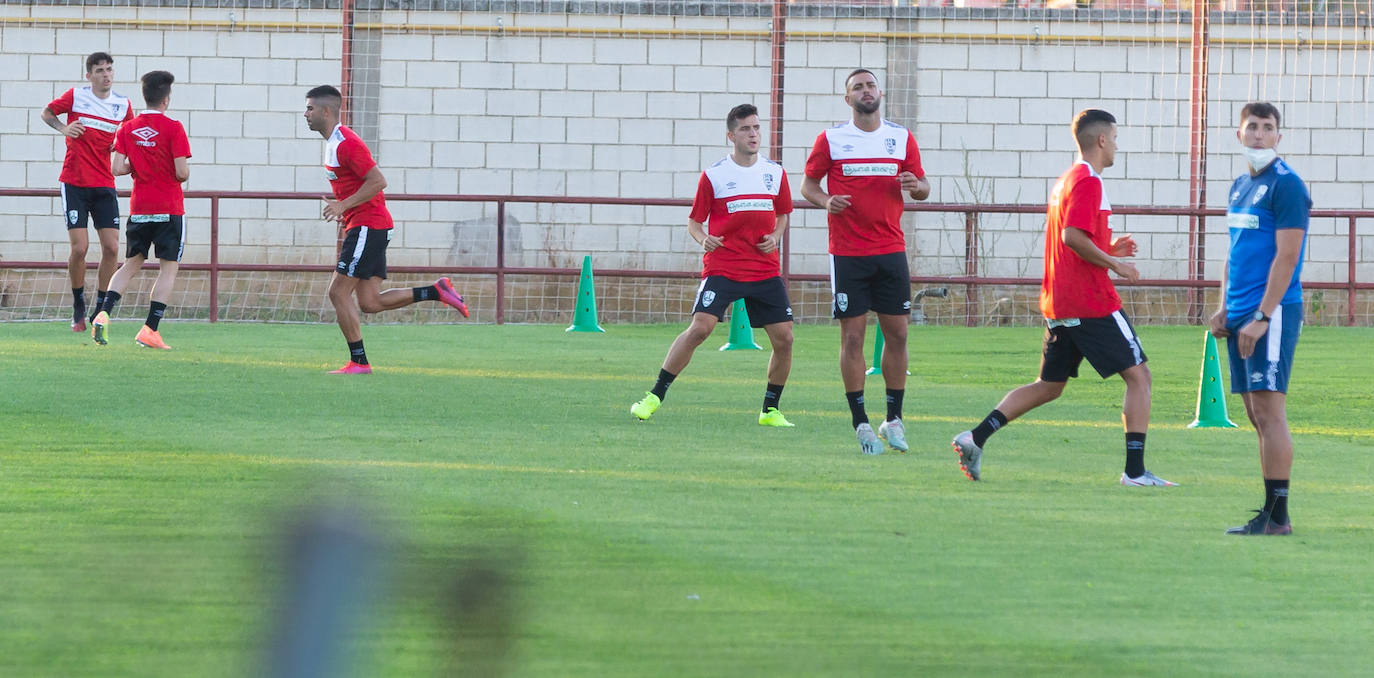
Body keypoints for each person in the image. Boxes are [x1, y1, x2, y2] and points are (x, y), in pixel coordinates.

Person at [951, 109, 1174, 487]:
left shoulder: (1067, 179)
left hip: (1061, 301)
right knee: (1140, 378)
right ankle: (1135, 473)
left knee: (1049, 385)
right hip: (1090, 303)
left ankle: (976, 437)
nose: (1117, 144)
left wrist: (1110, 249)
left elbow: (1075, 239)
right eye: (1115, 138)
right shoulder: (1089, 180)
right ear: (1102, 140)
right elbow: (1072, 237)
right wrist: (1115, 266)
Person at [630, 104, 796, 426]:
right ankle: (653, 396)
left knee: (785, 338)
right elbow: (694, 222)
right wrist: (703, 238)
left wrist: (776, 235)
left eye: (757, 128)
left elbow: (782, 215)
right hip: (724, 266)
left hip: (763, 269)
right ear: (731, 135)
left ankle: (770, 410)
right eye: (746, 129)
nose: (753, 134)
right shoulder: (715, 175)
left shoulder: (775, 173)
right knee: (701, 329)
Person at [800, 68, 930, 455]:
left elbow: (923, 187)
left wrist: (915, 185)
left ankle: (894, 419)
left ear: (880, 92)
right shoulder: (832, 139)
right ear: (848, 99)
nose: (866, 91)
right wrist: (826, 201)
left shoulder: (901, 137)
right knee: (853, 337)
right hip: (848, 253)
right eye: (858, 87)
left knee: (899, 334)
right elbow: (807, 185)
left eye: (870, 84)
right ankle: (861, 423)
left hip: (890, 250)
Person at [303, 85, 470, 374]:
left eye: (309, 108)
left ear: (326, 111)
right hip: (369, 224)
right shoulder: (334, 143)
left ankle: (359, 363)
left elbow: (378, 181)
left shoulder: (346, 142)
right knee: (370, 302)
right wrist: (348, 208)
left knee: (338, 293)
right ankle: (436, 290)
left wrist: (343, 206)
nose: (305, 114)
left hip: (369, 225)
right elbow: (360, 185)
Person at [1211, 102, 1310, 536]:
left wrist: (1262, 316)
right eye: (1251, 126)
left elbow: (1288, 259)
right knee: (1254, 413)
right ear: (1239, 134)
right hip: (1240, 315)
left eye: (1267, 128)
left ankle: (1279, 516)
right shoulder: (1238, 186)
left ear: (1278, 137)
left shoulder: (1287, 186)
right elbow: (1234, 254)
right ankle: (1271, 510)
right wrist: (1224, 307)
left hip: (1271, 314)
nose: (1258, 134)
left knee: (1270, 412)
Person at [90, 71, 191, 349]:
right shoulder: (174, 128)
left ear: (144, 96)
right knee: (168, 267)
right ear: (166, 99)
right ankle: (150, 329)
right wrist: (174, 169)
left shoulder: (127, 128)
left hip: (140, 208)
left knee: (132, 263)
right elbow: (182, 172)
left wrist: (140, 163)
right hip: (168, 208)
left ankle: (103, 312)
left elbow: (117, 168)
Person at [41, 52, 134, 333]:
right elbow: (47, 113)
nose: (106, 74)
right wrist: (63, 128)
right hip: (75, 182)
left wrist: (124, 153)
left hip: (104, 184)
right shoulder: (76, 96)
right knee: (80, 248)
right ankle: (78, 302)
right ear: (89, 75)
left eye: (109, 69)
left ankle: (100, 308)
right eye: (100, 70)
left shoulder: (122, 104)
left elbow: (130, 135)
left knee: (112, 248)